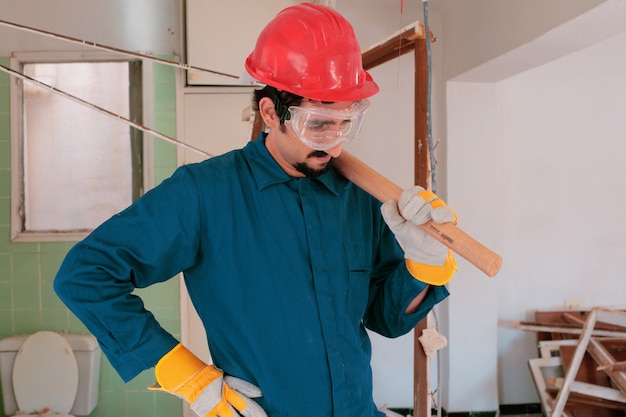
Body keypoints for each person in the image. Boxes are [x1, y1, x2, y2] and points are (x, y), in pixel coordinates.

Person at [54, 3, 457, 417]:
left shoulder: (359, 197)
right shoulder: (205, 193)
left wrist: (421, 268)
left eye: (346, 123)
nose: (335, 145)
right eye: (318, 123)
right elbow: (85, 275)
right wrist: (187, 375)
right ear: (270, 112)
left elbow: (386, 319)